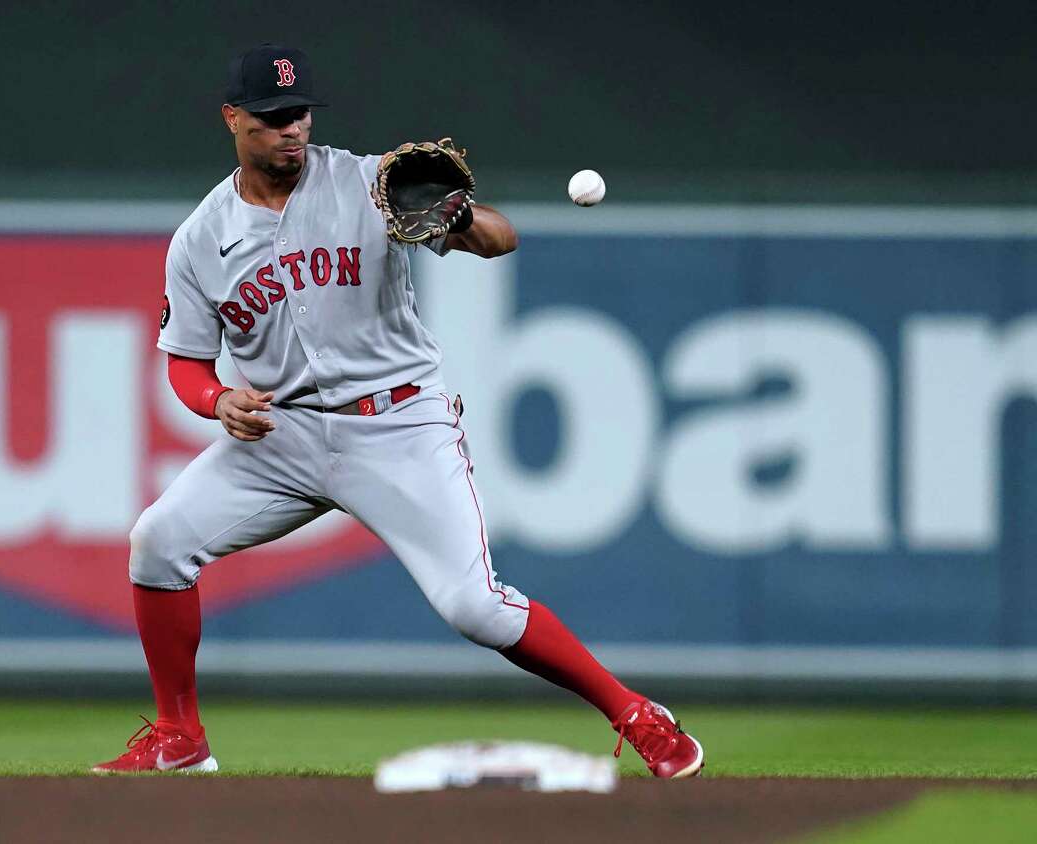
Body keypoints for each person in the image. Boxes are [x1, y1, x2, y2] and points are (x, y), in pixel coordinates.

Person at [93, 44, 704, 778]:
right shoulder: (200, 239)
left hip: (397, 425)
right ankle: (179, 737)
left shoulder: (371, 182)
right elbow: (185, 361)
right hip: (283, 434)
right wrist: (217, 399)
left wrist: (461, 219)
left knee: (475, 608)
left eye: (301, 114)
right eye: (274, 117)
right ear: (233, 119)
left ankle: (636, 713)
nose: (292, 129)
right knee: (158, 545)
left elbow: (499, 240)